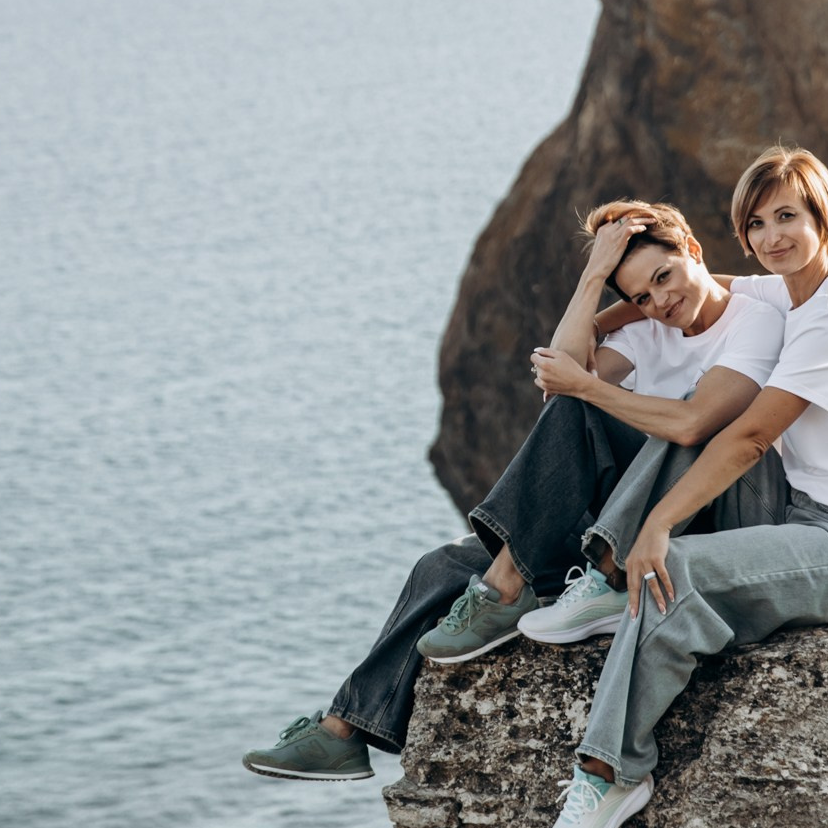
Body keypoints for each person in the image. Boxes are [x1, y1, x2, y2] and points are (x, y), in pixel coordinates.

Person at [241, 201, 785, 781]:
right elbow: (563, 375)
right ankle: (343, 731)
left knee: (602, 406)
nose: (661, 301)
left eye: (663, 277)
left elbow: (693, 425)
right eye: (643, 297)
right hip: (635, 513)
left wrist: (585, 384)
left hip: (718, 510)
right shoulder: (649, 332)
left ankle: (503, 590)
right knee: (442, 565)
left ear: (693, 252)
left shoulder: (755, 318)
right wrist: (591, 279)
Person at [531, 146, 828, 828]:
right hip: (794, 508)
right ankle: (604, 575)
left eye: (789, 217)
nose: (775, 235)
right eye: (758, 223)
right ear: (741, 236)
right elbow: (697, 284)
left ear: (822, 218)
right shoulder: (785, 291)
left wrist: (656, 528)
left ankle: (609, 775)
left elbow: (749, 438)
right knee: (697, 403)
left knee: (671, 571)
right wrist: (614, 272)